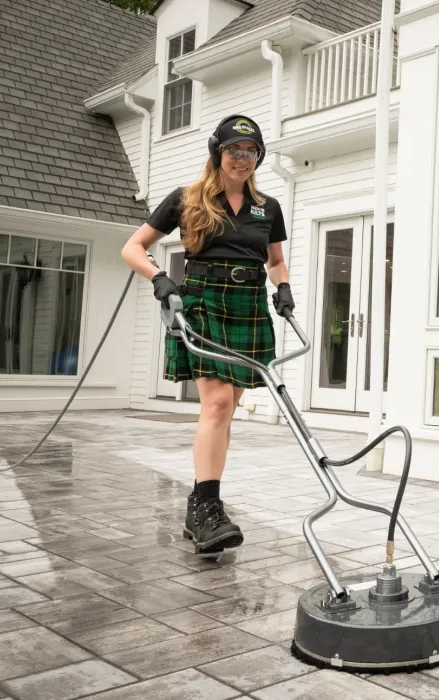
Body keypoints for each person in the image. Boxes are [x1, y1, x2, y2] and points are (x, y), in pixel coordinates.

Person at [121, 115, 295, 554]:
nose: (242, 158)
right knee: (216, 403)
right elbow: (132, 247)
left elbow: (274, 261)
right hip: (204, 300)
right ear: (218, 152)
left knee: (227, 407)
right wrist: (160, 278)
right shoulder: (187, 199)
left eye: (251, 151)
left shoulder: (267, 207)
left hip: (248, 303)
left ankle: (200, 505)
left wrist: (285, 288)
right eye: (234, 150)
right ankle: (206, 508)